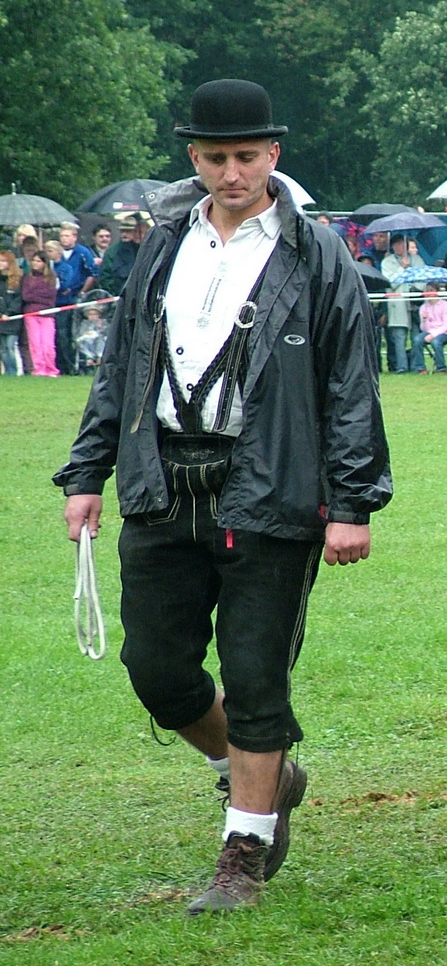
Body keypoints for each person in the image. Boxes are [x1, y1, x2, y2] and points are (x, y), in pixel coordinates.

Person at [55, 78, 391, 913]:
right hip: (161, 481)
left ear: (273, 155)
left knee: (254, 678)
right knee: (157, 670)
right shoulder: (165, 245)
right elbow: (121, 366)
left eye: (246, 156)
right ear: (193, 157)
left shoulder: (319, 255)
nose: (231, 171)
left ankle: (243, 848)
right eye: (215, 157)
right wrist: (86, 474)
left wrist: (354, 502)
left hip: (272, 483)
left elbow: (351, 383)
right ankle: (262, 778)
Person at [53, 222, 98, 374]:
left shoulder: (83, 252)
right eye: (62, 236)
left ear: (74, 237)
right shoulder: (55, 253)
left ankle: (78, 366)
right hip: (58, 300)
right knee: (61, 334)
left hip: (76, 298)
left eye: (67, 236)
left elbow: (92, 273)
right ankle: (64, 366)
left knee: (75, 334)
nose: (64, 239)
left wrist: (82, 292)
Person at [379, 234, 420, 373]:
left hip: (414, 303)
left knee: (416, 337)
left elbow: (423, 278)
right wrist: (402, 268)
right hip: (398, 305)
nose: (399, 247)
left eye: (402, 244)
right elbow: (390, 283)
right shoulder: (387, 262)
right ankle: (401, 367)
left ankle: (416, 366)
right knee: (399, 338)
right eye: (396, 244)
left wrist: (416, 287)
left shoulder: (416, 259)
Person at [98, 211, 151, 300]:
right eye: (122, 231)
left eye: (128, 231)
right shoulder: (113, 252)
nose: (125, 234)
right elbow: (105, 277)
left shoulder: (148, 250)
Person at [21, 250, 59, 376]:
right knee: (35, 344)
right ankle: (39, 369)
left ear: (44, 263)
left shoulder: (51, 278)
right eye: (33, 261)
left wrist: (36, 295)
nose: (35, 264)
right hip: (31, 314)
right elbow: (26, 296)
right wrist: (40, 296)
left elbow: (51, 295)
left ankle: (51, 369)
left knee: (48, 344)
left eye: (38, 261)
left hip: (47, 314)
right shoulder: (27, 278)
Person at [412, 282, 447, 373]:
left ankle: (441, 368)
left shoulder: (445, 305)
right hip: (429, 332)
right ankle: (421, 368)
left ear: (437, 291)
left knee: (436, 342)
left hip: (444, 332)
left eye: (431, 290)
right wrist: (424, 319)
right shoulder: (423, 307)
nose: (429, 293)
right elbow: (423, 329)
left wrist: (433, 334)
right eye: (427, 291)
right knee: (416, 340)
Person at [0, 249, 25, 375]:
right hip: (1, 319)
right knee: (2, 349)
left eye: (4, 261)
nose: (1, 263)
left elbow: (18, 299)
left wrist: (8, 313)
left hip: (12, 320)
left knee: (10, 347)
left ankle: (14, 371)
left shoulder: (17, 280)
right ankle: (8, 372)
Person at [75, 305, 110, 369]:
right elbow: (81, 333)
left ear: (98, 315)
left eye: (94, 314)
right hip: (87, 340)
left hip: (100, 339)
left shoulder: (103, 322)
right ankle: (89, 357)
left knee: (100, 340)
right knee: (85, 341)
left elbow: (107, 332)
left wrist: (101, 328)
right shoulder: (84, 323)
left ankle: (99, 356)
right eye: (90, 314)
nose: (92, 316)